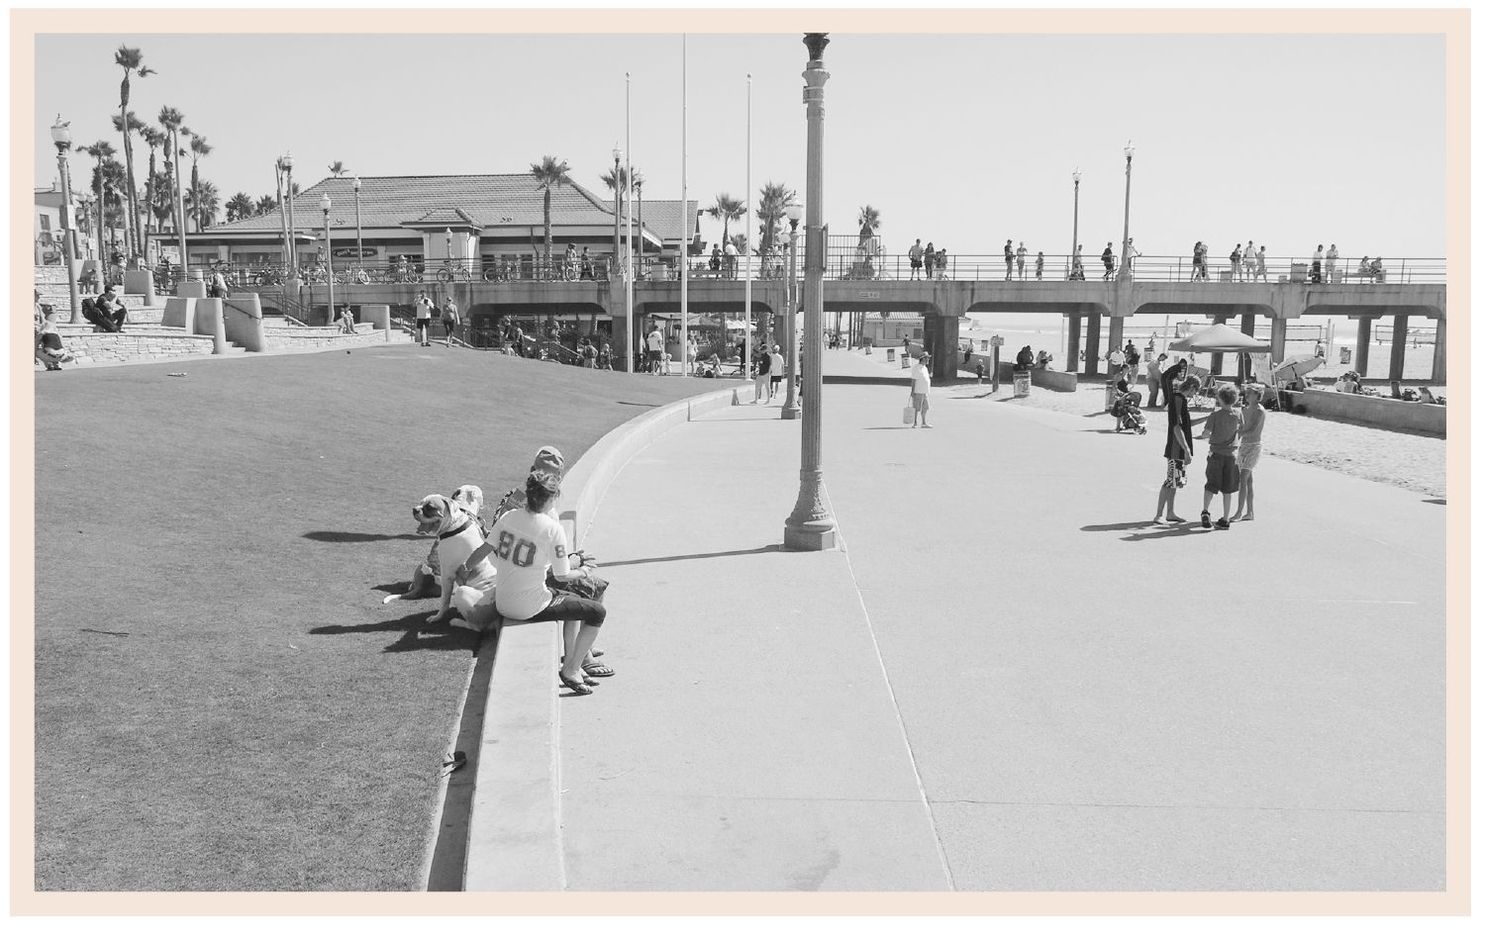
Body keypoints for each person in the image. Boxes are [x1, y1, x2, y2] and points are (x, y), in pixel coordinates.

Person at [459, 470, 608, 696]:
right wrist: (584, 572)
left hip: (503, 602)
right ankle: (571, 670)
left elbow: (482, 550)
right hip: (529, 607)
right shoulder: (552, 529)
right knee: (596, 612)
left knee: (575, 603)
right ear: (551, 498)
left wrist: (465, 568)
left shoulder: (508, 518)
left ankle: (573, 660)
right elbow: (563, 576)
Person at [1197, 383, 1245, 530]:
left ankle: (1205, 511)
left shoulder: (1215, 415)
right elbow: (1242, 429)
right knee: (1228, 489)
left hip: (1216, 453)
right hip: (1231, 455)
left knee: (1211, 484)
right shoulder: (1238, 414)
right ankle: (1225, 518)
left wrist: (1203, 436)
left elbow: (1206, 433)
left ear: (1220, 398)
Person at [1153, 375, 1199, 524]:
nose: (1195, 394)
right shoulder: (1178, 399)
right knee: (1169, 481)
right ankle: (1159, 515)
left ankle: (1170, 513)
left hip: (1178, 447)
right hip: (1176, 448)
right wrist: (1186, 449)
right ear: (1191, 387)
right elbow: (1176, 427)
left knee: (1175, 481)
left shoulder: (1180, 400)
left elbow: (1186, 424)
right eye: (1196, 390)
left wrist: (1207, 418)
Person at [1234, 383, 1266, 521]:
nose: (1246, 395)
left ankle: (1239, 512)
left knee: (1243, 478)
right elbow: (1242, 426)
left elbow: (1252, 429)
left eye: (1250, 393)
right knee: (1248, 481)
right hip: (1244, 446)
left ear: (1257, 395)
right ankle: (1250, 512)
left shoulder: (1259, 410)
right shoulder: (1245, 409)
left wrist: (1236, 433)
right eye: (1246, 393)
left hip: (1254, 446)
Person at [908, 352, 932, 428]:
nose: (928, 359)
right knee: (916, 408)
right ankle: (914, 423)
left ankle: (924, 423)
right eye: (927, 358)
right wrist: (912, 391)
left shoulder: (925, 368)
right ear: (923, 359)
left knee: (926, 407)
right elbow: (913, 380)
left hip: (925, 391)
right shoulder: (916, 368)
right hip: (918, 391)